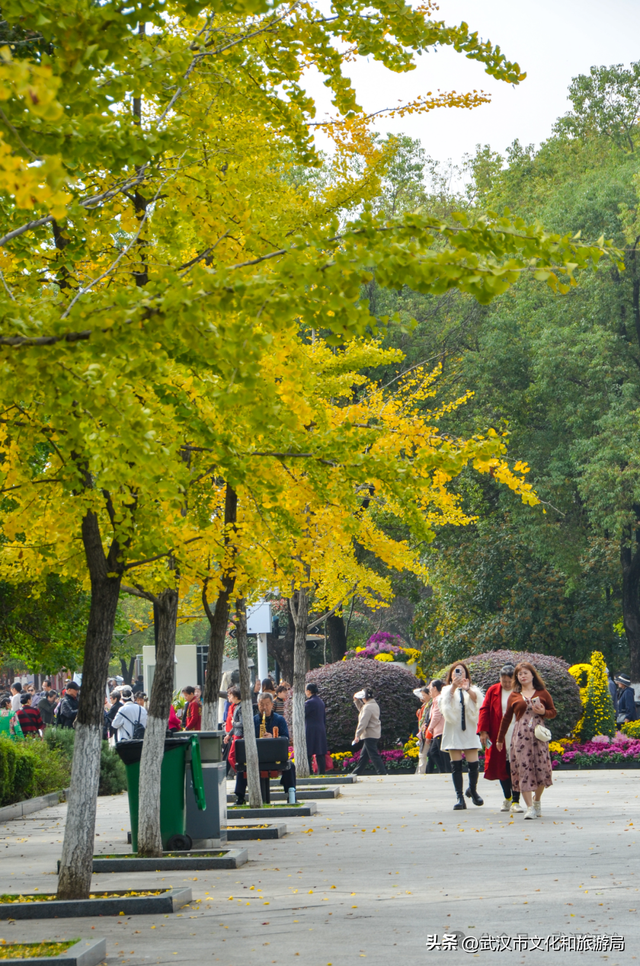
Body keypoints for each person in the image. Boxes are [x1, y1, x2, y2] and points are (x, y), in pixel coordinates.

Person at [497, 662, 557, 820]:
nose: (522, 676)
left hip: (538, 736)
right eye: (519, 674)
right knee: (523, 770)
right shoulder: (515, 695)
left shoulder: (542, 693)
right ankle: (529, 807)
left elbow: (553, 712)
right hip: (520, 736)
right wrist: (500, 738)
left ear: (532, 675)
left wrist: (544, 712)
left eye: (525, 673)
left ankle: (537, 801)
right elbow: (506, 718)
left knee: (542, 769)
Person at [234, 692, 296, 804]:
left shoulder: (279, 720)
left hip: (275, 757)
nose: (264, 707)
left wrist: (273, 737)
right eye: (262, 704)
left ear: (272, 705)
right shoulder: (252, 721)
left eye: (267, 704)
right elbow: (245, 738)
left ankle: (290, 795)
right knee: (241, 767)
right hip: (256, 757)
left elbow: (286, 738)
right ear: (258, 705)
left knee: (290, 766)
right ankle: (240, 797)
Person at [477, 663, 523, 813]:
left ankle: (516, 800)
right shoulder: (493, 690)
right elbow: (484, 710)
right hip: (499, 733)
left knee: (516, 766)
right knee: (501, 766)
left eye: (509, 681)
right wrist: (483, 730)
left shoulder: (520, 690)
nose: (507, 684)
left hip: (517, 732)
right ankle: (507, 797)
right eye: (504, 681)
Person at [440, 663, 484, 810]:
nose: (459, 675)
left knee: (473, 764)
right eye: (456, 672)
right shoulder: (446, 690)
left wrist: (468, 689)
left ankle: (473, 790)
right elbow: (443, 705)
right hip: (454, 731)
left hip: (470, 731)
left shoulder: (472, 690)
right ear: (451, 675)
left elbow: (480, 703)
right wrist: (453, 686)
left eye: (462, 672)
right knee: (456, 765)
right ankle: (459, 797)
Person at [350, 688, 388, 776]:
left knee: (373, 755)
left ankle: (382, 772)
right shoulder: (373, 705)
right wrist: (357, 702)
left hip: (369, 734)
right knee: (364, 756)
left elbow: (363, 722)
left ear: (365, 697)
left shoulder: (367, 707)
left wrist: (357, 735)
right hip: (374, 733)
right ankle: (356, 773)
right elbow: (363, 710)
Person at [425, 679, 450, 774]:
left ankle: (446, 771)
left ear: (435, 688)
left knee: (440, 752)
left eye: (430, 688)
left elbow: (436, 715)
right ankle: (444, 770)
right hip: (438, 731)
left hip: (440, 730)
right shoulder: (437, 699)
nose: (429, 690)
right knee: (434, 752)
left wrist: (430, 729)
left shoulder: (438, 699)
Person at [305, 682, 328, 774]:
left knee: (308, 752)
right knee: (320, 752)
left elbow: (302, 714)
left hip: (311, 729)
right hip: (320, 728)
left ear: (309, 691)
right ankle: (321, 772)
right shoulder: (320, 701)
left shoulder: (309, 703)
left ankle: (309, 771)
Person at [413, 687, 431, 775]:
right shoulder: (424, 706)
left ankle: (421, 772)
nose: (422, 697)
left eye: (424, 695)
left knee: (424, 754)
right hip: (423, 733)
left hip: (427, 733)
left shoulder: (429, 705)